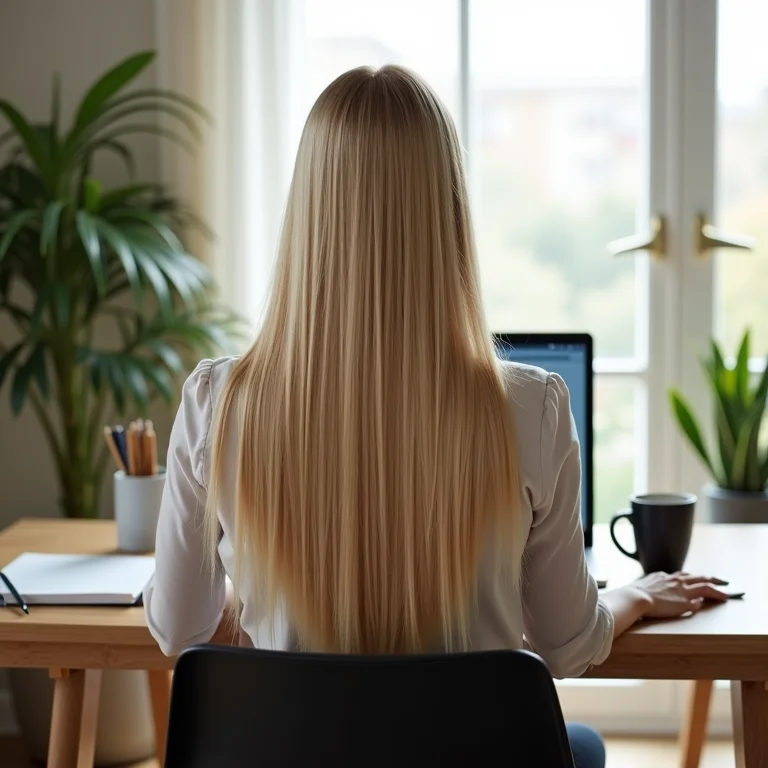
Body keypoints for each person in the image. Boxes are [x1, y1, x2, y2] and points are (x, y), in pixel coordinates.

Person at [144, 66, 728, 768]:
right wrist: (633, 594)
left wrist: (266, 577)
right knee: (582, 748)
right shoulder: (531, 406)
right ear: (448, 209)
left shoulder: (218, 402)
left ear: (307, 211)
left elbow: (179, 628)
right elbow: (567, 645)